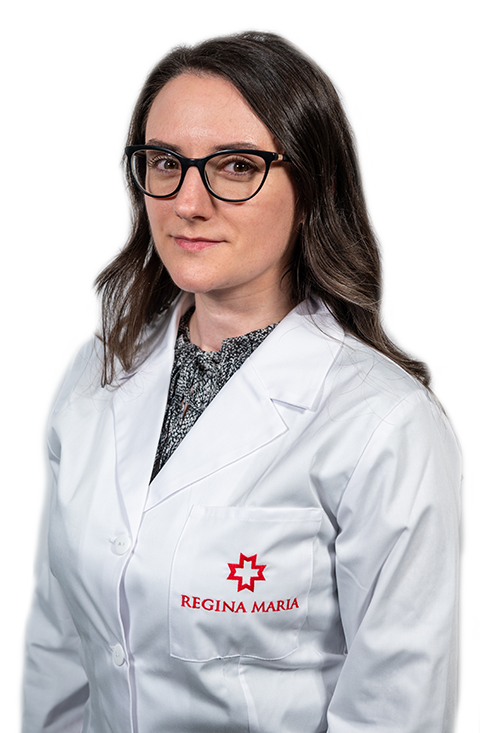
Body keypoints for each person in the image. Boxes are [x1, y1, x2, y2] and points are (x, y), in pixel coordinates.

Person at [21, 29, 461, 733]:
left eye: (234, 166)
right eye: (166, 162)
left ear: (312, 186)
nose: (188, 203)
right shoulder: (90, 376)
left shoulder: (385, 425)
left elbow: (396, 710)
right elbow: (56, 647)